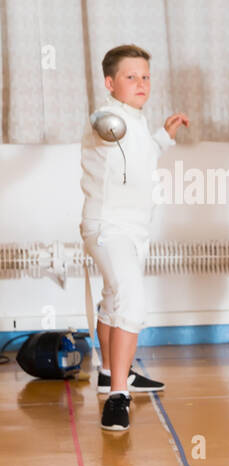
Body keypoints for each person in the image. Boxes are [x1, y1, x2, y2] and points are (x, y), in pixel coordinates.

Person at [81, 44, 189, 432]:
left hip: (133, 229)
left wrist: (163, 135)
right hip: (108, 227)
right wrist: (104, 119)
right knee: (131, 301)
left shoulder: (138, 121)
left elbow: (139, 154)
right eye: (131, 77)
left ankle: (110, 372)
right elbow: (106, 127)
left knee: (114, 301)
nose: (141, 83)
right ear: (110, 83)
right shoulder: (108, 118)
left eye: (145, 76)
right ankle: (118, 396)